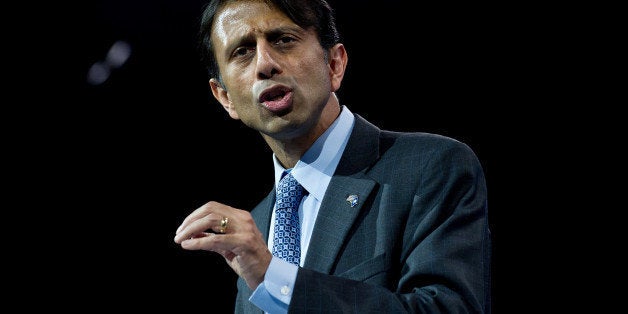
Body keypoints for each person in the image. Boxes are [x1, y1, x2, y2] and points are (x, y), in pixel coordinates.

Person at [174, 0, 492, 313]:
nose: (264, 64)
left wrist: (275, 277)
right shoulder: (252, 233)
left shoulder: (429, 168)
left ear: (334, 64)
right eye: (242, 51)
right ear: (225, 97)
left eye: (283, 40)